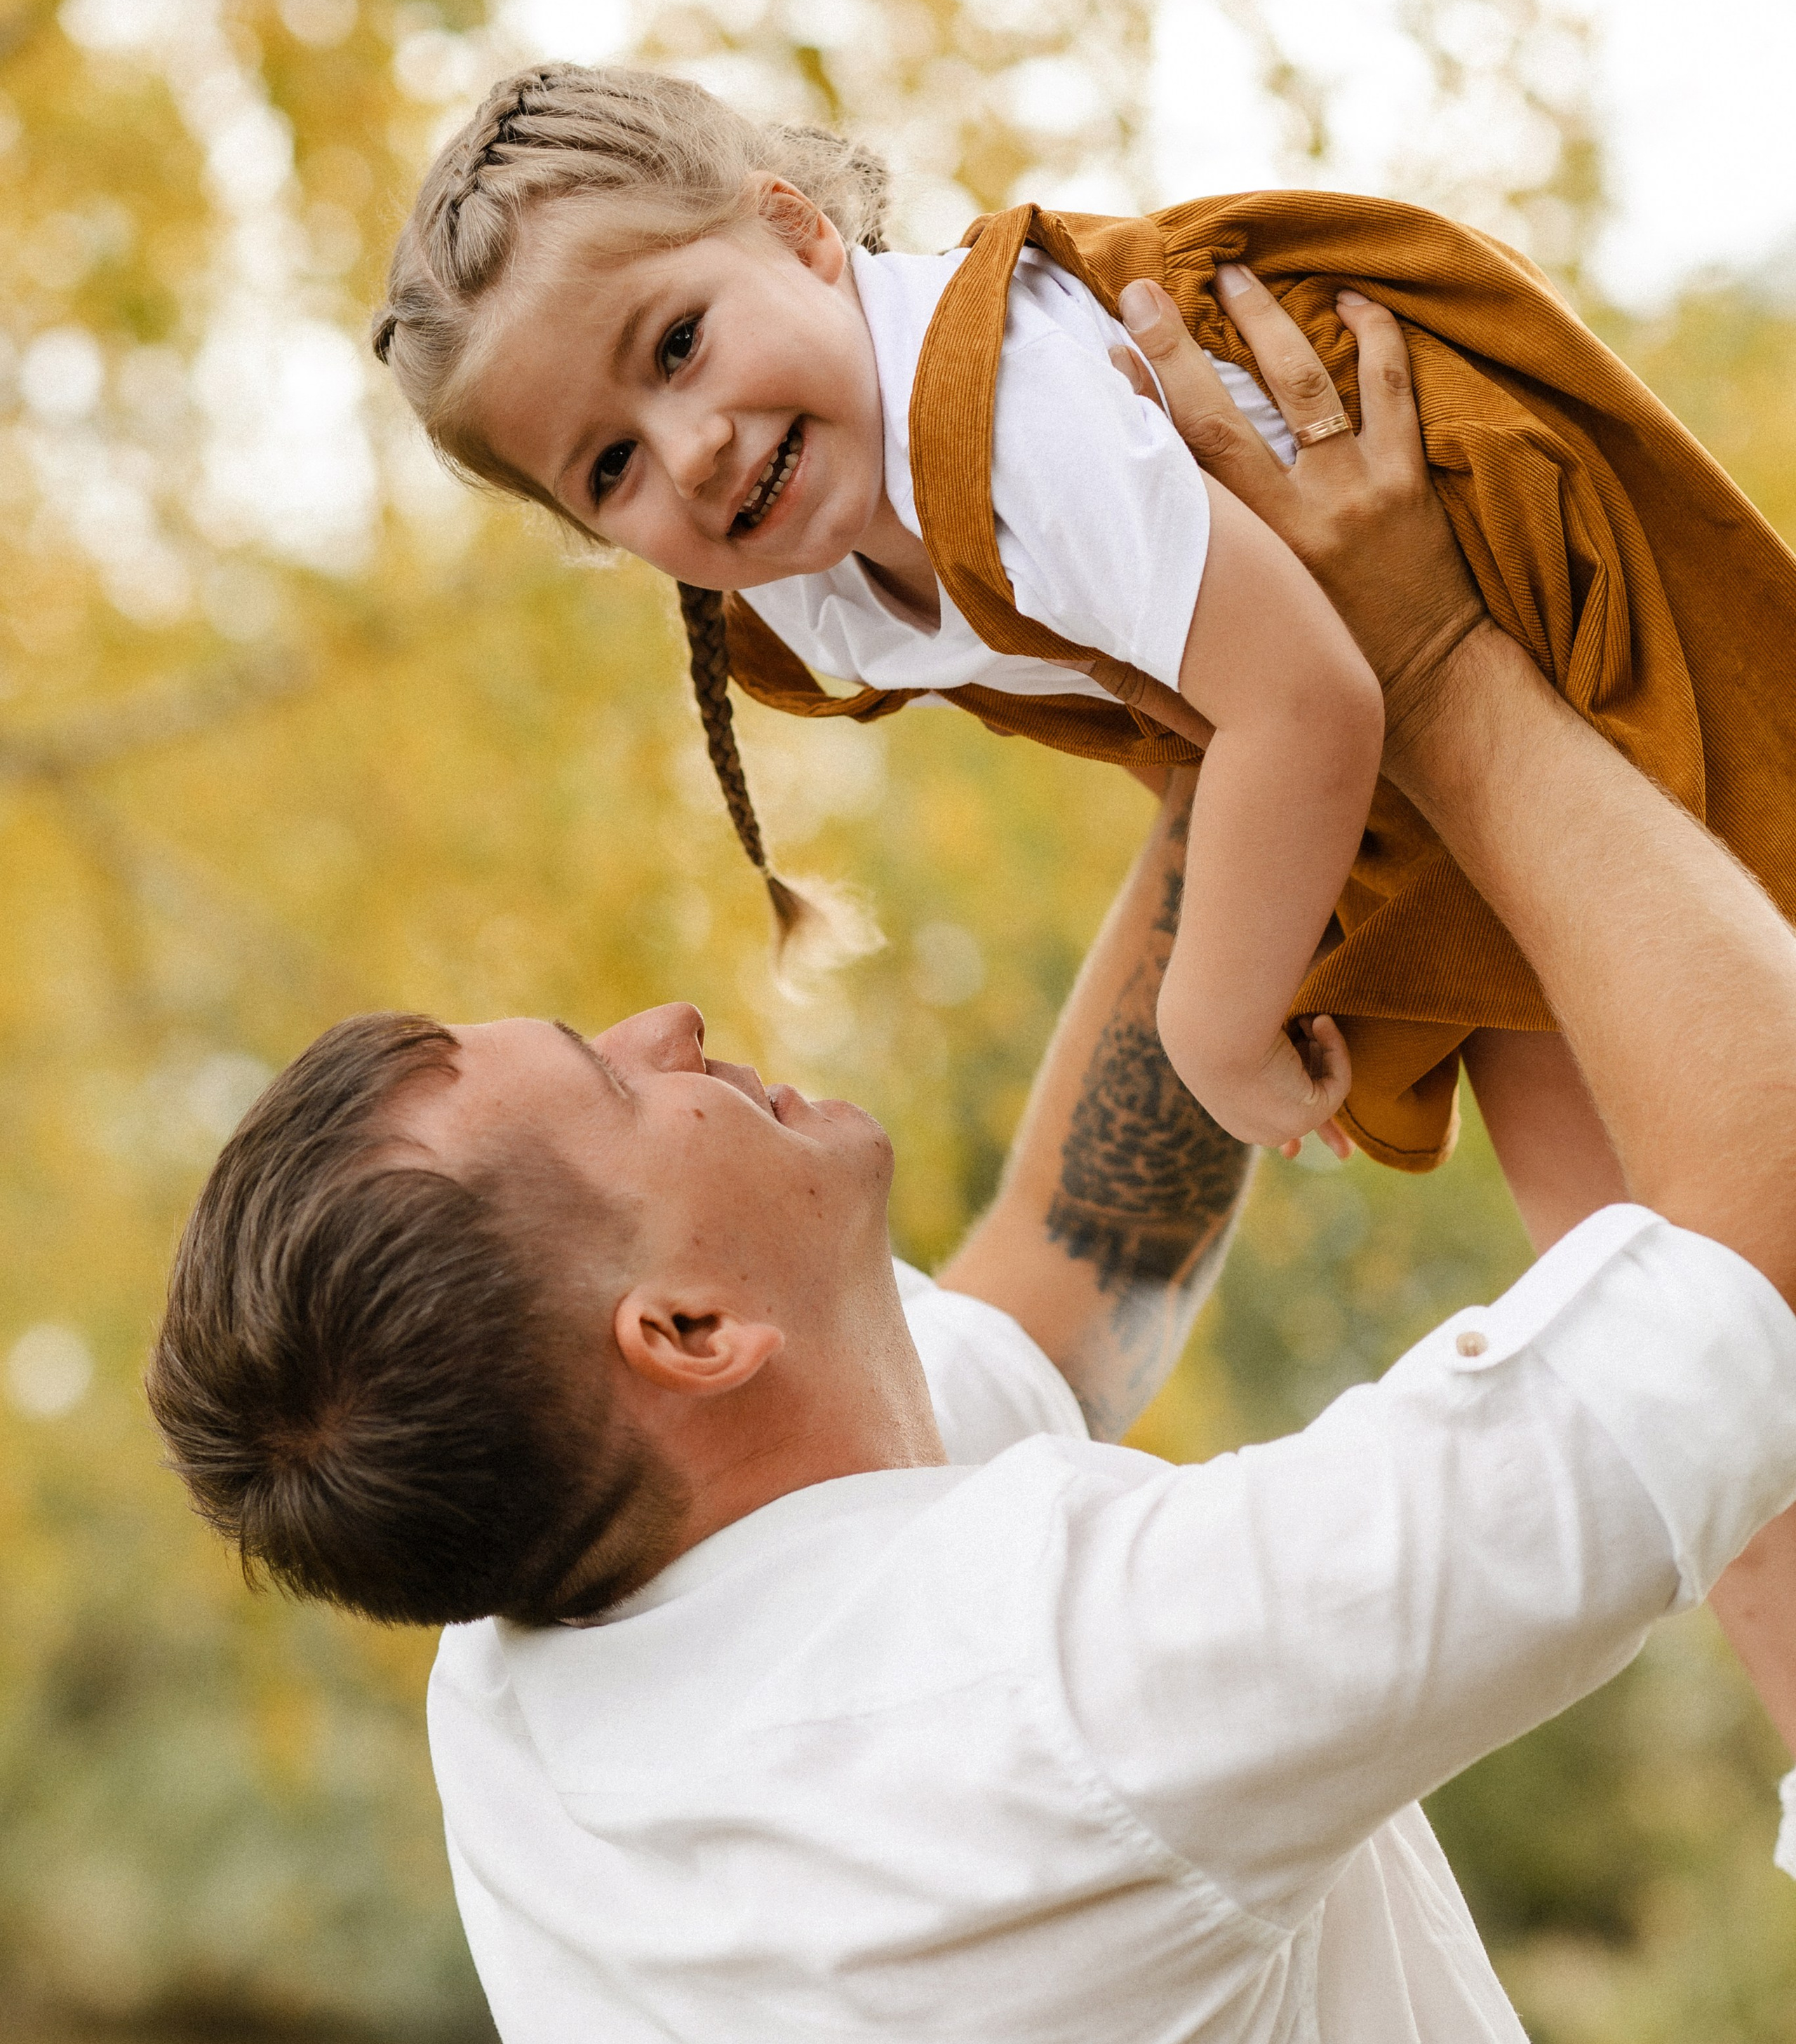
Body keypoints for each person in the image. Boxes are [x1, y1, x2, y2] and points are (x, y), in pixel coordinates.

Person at [149, 280, 1796, 2044]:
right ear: (685, 1328)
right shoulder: (1070, 1686)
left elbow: (1074, 1270)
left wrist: (1232, 673)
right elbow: (1763, 1230)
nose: (669, 1023)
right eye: (607, 1077)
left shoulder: (535, 1682)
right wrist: (1433, 659)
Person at [370, 62, 1796, 1216]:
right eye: (608, 466)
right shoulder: (806, 573)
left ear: (800, 232)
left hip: (1542, 595)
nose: (687, 452)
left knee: (1721, 1159)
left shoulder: (1006, 415)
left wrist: (1213, 1022)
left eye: (678, 343)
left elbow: (1300, 703)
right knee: (1628, 1253)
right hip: (1418, 769)